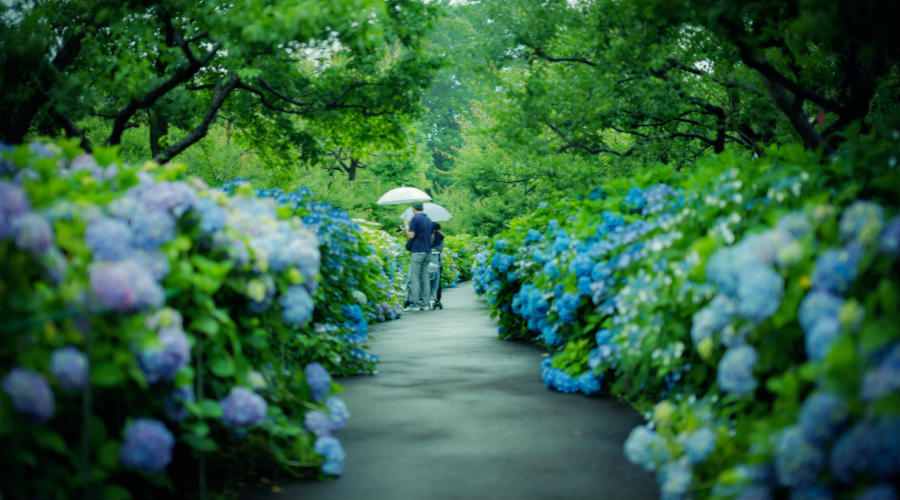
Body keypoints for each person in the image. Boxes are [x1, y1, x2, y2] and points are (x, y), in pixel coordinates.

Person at [404, 203, 433, 311]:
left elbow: (411, 235)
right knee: (425, 277)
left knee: (415, 278)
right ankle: (426, 304)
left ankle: (415, 304)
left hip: (417, 251)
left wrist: (406, 226)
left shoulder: (415, 219)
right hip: (427, 252)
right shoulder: (429, 220)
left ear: (413, 209)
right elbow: (432, 237)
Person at [428, 223, 444, 307]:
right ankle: (437, 299)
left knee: (426, 280)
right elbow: (440, 251)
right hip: (436, 260)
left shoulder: (427, 236)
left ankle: (425, 298)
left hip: (427, 260)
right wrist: (441, 261)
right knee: (437, 280)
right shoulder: (440, 237)